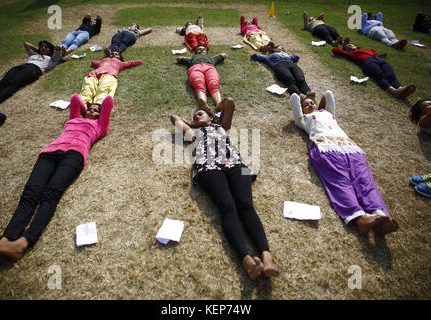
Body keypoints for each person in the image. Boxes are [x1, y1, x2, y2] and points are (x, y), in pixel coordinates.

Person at [0, 94, 114, 261]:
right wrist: (86, 106)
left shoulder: (100, 125)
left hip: (74, 155)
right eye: (90, 108)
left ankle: (22, 243)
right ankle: (5, 241)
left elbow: (108, 102)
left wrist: (98, 108)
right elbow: (74, 99)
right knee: (30, 193)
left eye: (96, 111)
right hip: (49, 153)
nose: (92, 111)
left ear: (100, 115)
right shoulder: (73, 119)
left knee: (51, 194)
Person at [170, 98, 281, 280]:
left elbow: (229, 102)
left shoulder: (222, 126)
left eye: (200, 113)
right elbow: (174, 118)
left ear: (212, 118)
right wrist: (194, 123)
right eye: (194, 115)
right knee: (227, 206)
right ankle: (246, 261)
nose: (197, 115)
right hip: (208, 167)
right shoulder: (192, 133)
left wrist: (211, 110)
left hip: (236, 164)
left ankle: (266, 257)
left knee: (246, 204)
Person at [290, 90, 399, 235]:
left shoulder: (330, 115)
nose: (310, 105)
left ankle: (379, 215)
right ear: (302, 110)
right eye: (306, 105)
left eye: (312, 103)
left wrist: (317, 104)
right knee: (341, 182)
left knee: (365, 181)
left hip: (351, 149)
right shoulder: (303, 119)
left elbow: (328, 94)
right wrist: (304, 97)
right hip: (325, 148)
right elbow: (294, 98)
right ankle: (360, 219)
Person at [0, 41, 62, 108]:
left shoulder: (52, 59)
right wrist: (39, 51)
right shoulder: (34, 55)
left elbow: (58, 47)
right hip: (23, 66)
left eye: (46, 47)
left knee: (14, 83)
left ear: (51, 50)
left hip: (34, 69)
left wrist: (44, 51)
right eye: (41, 46)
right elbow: (26, 44)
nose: (43, 48)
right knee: (4, 81)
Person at [332, 39, 415, 99]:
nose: (349, 46)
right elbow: (335, 50)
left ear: (356, 45)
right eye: (347, 47)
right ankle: (392, 91)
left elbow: (374, 51)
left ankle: (400, 89)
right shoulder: (351, 54)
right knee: (380, 75)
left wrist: (379, 55)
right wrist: (343, 45)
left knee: (390, 74)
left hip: (379, 60)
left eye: (351, 45)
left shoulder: (368, 51)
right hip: (367, 63)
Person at [176, 45, 227, 110]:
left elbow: (224, 54)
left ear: (206, 52)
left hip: (209, 67)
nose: (202, 49)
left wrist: (211, 58)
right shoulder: (191, 59)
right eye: (199, 49)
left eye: (203, 49)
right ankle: (203, 103)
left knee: (213, 83)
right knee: (198, 83)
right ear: (195, 52)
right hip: (195, 68)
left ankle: (219, 104)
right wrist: (190, 58)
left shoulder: (212, 59)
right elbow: (178, 58)